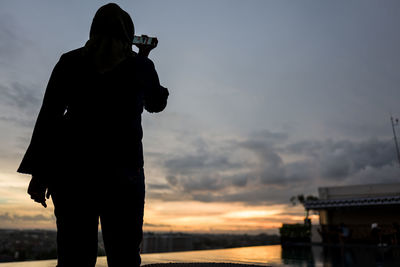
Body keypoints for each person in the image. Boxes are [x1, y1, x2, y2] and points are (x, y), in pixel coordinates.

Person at [17, 3, 169, 267]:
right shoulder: (139, 66)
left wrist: (39, 175)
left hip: (73, 174)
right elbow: (156, 103)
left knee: (74, 257)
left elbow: (48, 119)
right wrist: (144, 57)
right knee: (124, 257)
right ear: (128, 34)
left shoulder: (70, 61)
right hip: (123, 175)